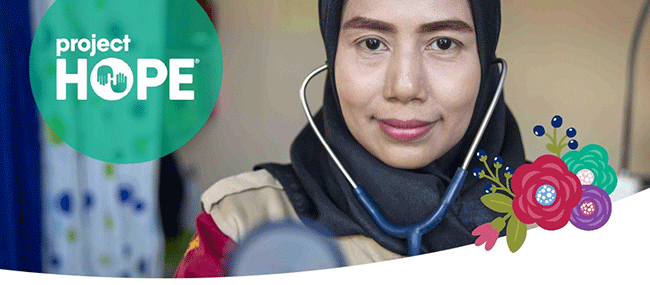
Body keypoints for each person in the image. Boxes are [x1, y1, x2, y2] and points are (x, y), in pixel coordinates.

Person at [174, 0, 526, 278]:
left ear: (483, 60)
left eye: (443, 43)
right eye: (372, 43)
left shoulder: (565, 219)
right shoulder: (240, 224)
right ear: (333, 54)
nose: (404, 87)